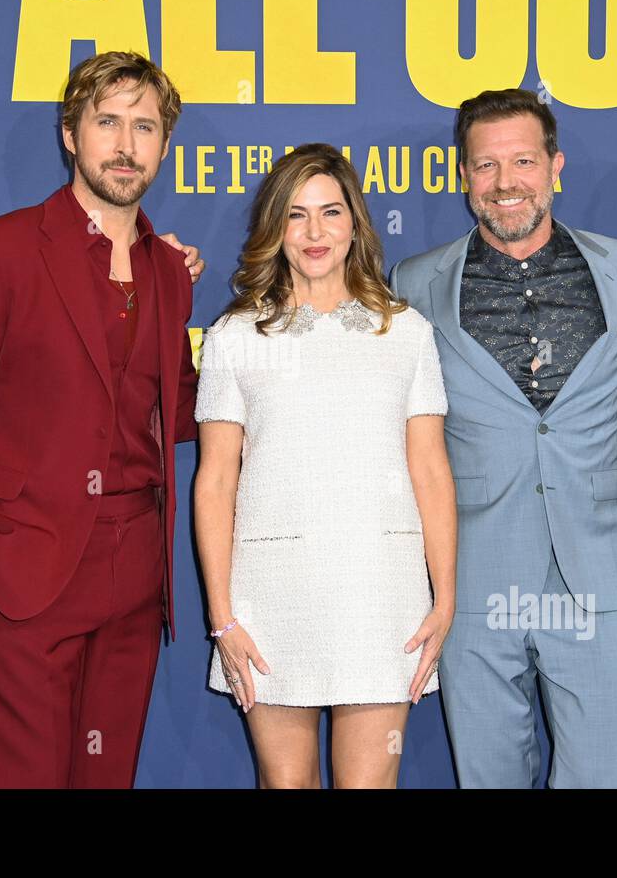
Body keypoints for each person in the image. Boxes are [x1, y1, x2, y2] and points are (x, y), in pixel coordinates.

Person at [0, 51, 203, 788]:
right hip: (25, 571)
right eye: (107, 121)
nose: (125, 143)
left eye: (145, 126)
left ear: (165, 145)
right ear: (70, 135)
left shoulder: (169, 271)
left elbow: (180, 410)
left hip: (137, 575)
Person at [390, 89, 617, 788]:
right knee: (488, 776)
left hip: (597, 571)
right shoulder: (415, 284)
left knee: (602, 776)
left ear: (556, 166)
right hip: (472, 573)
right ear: (463, 176)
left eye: (524, 162)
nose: (506, 184)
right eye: (486, 166)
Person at [193, 143, 457, 789]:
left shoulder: (407, 332)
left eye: (331, 213)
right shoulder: (235, 337)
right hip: (272, 596)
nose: (315, 233)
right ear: (274, 228)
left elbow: (430, 470)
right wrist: (223, 614)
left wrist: (444, 599)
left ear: (355, 224)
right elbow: (216, 479)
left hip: (382, 594)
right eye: (296, 215)